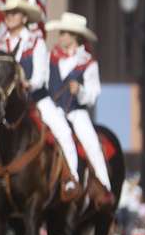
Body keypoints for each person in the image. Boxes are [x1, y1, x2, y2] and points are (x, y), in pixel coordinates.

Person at [0, 0, 80, 202]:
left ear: (24, 17)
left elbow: (41, 77)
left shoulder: (36, 42)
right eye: (7, 13)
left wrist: (27, 83)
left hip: (35, 99)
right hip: (6, 104)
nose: (9, 16)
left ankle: (71, 178)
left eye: (13, 13)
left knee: (63, 131)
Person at [46, 12, 114, 208]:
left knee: (92, 143)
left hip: (76, 112)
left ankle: (104, 187)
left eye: (65, 33)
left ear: (75, 36)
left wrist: (81, 91)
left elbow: (93, 95)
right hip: (53, 110)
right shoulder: (51, 57)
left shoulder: (88, 63)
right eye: (61, 32)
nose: (61, 36)